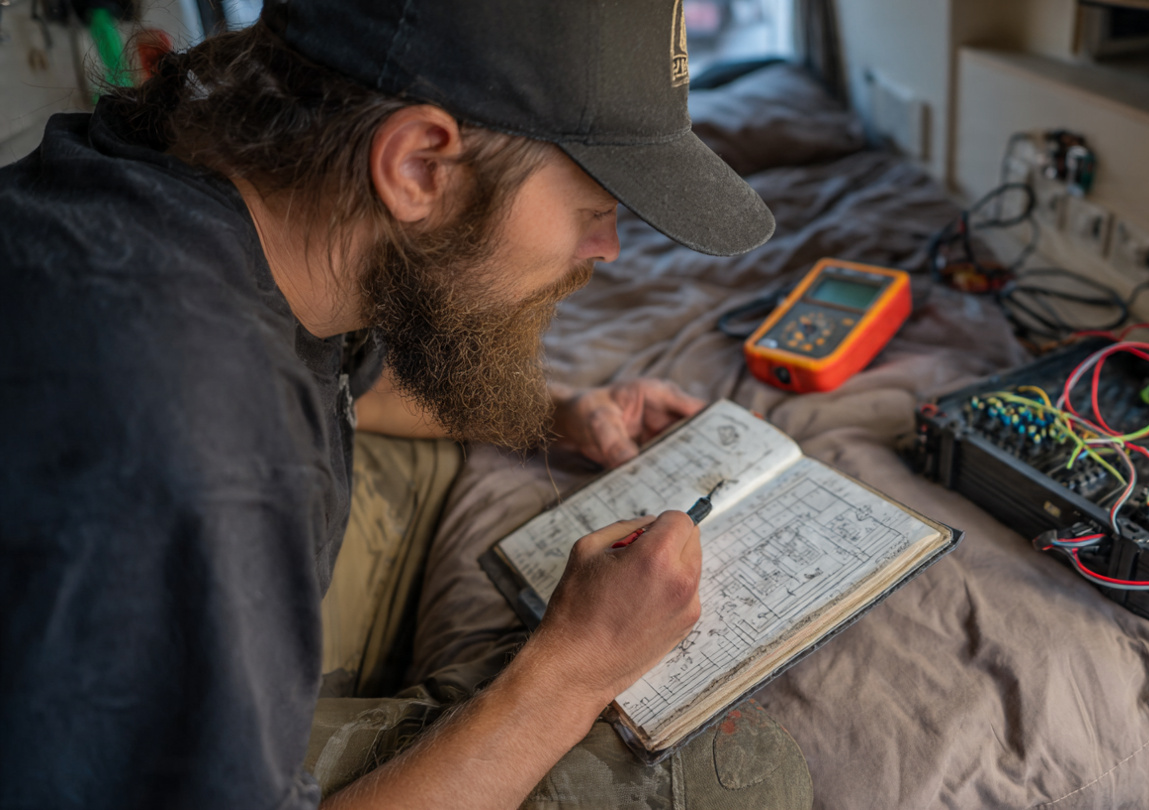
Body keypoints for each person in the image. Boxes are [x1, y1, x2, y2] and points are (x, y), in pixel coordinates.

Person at [0, 0, 810, 807]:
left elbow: (357, 380)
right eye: (595, 206)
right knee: (729, 773)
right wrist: (572, 672)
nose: (609, 248)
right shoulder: (201, 436)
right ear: (420, 165)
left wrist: (558, 411)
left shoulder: (177, 184)